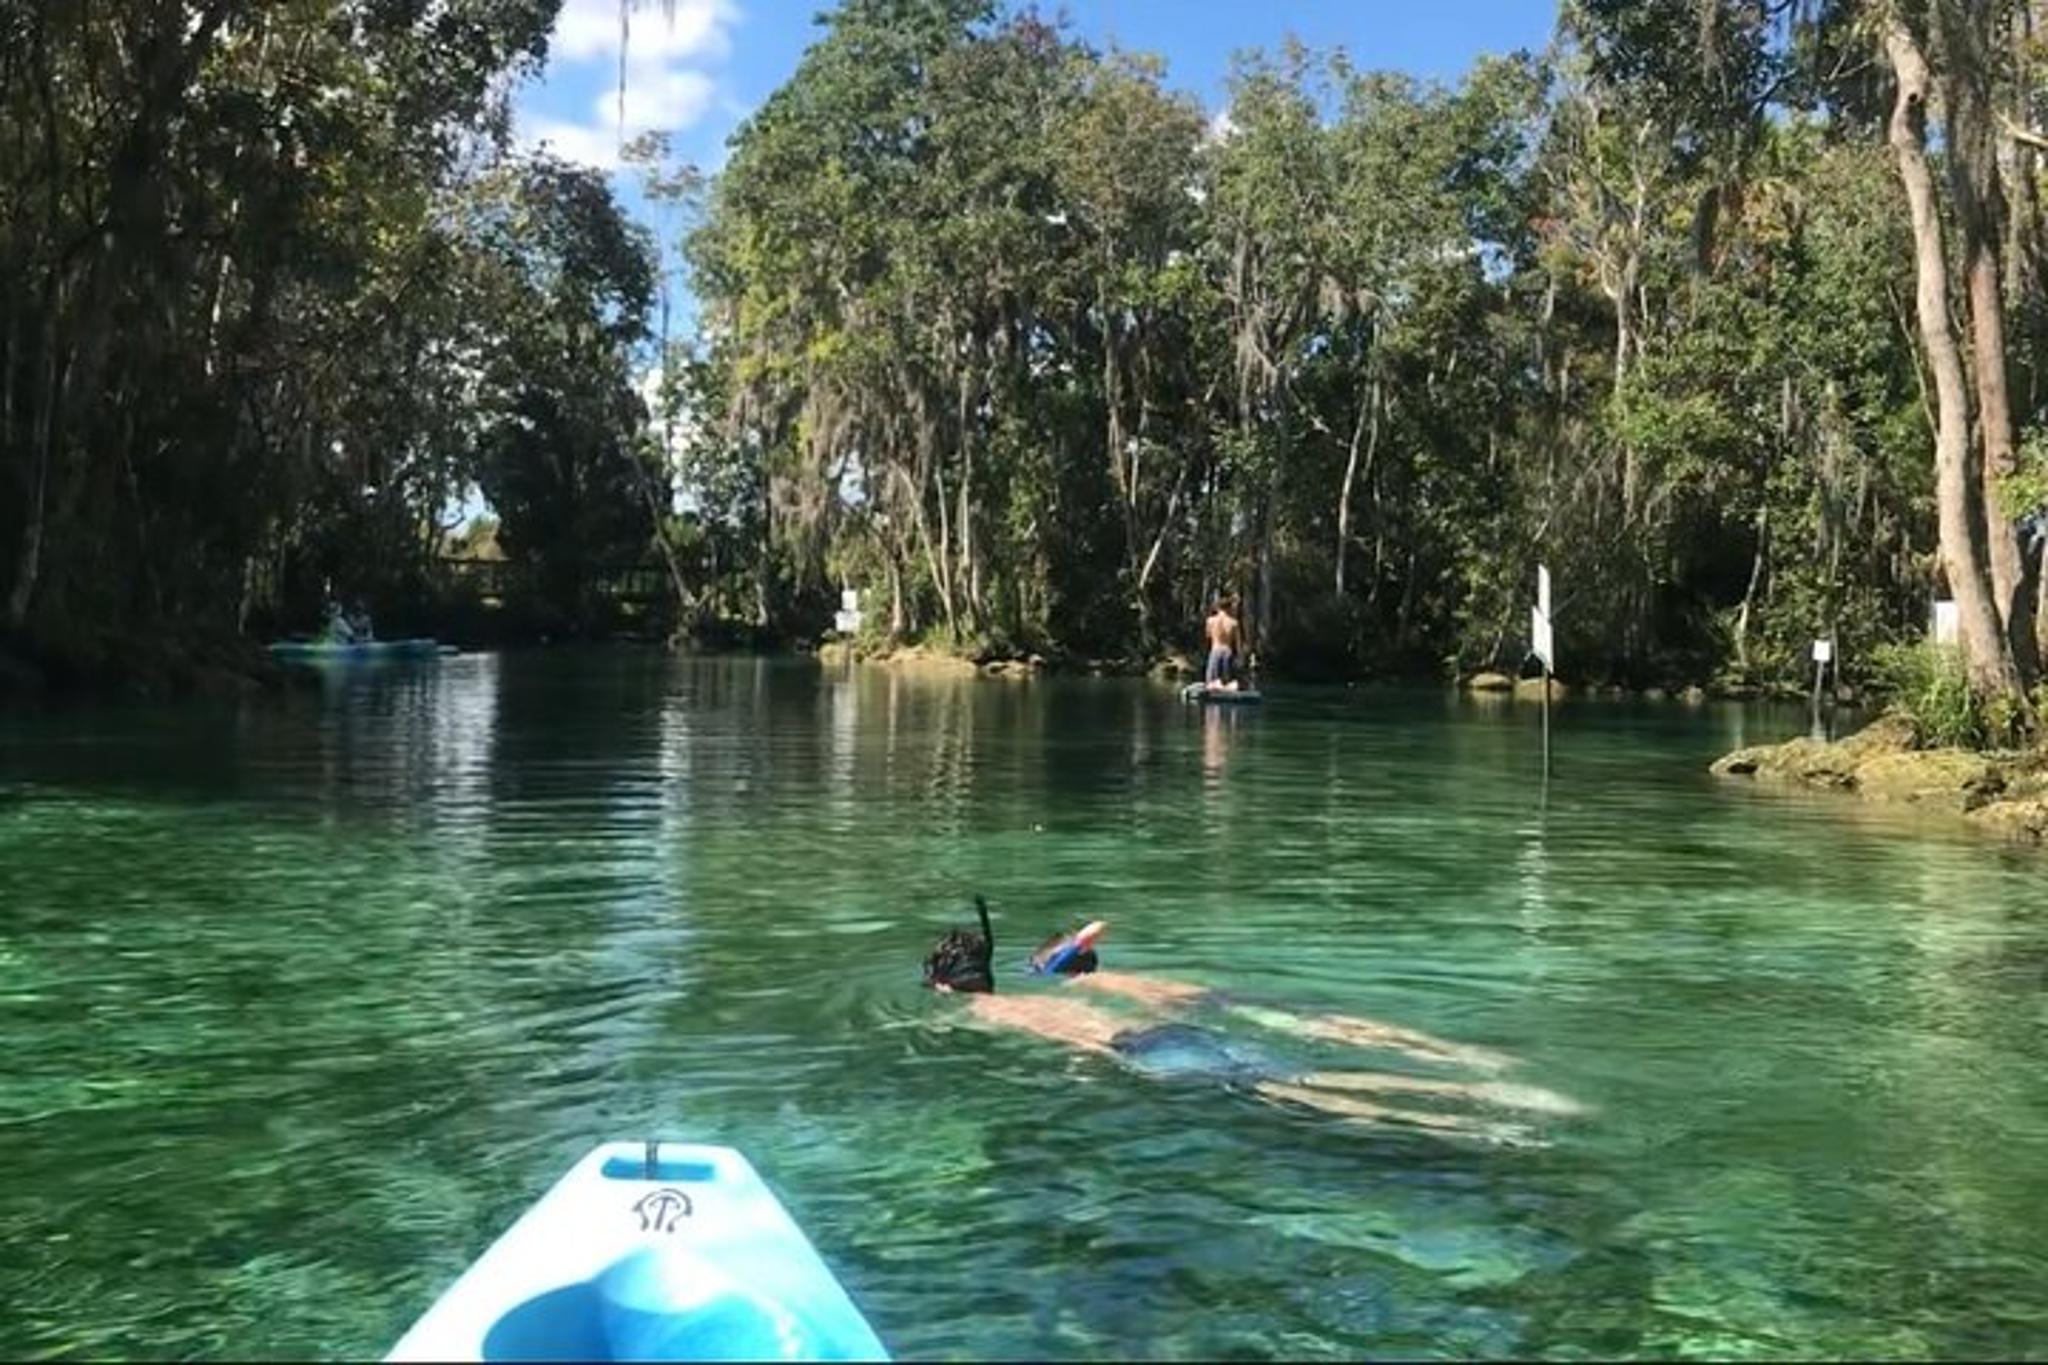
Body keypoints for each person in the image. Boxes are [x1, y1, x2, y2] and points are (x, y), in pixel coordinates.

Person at [922, 907, 1581, 1142]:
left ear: (948, 987)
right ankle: (1487, 1092)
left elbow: (1078, 1039)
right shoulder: (1090, 983)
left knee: (1298, 1087)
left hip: (1142, 1049)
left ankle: (1468, 1121)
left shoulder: (994, 1009)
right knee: (1325, 1055)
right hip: (1176, 1021)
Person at [1203, 595, 1243, 691]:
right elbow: (1238, 643)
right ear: (1229, 608)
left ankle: (1215, 686)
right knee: (1228, 681)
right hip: (1227, 651)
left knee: (1211, 682)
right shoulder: (1234, 623)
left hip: (1215, 650)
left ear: (1218, 607)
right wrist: (1240, 658)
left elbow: (1208, 636)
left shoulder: (1210, 621)